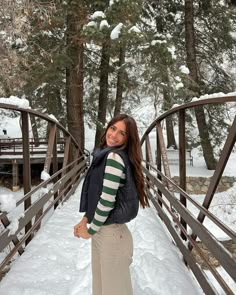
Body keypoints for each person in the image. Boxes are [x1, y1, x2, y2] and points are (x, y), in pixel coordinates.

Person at [74, 114, 149, 295]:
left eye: (122, 133)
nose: (114, 135)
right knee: (100, 290)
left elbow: (107, 201)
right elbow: (98, 193)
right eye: (113, 128)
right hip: (105, 232)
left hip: (112, 237)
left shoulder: (114, 158)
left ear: (127, 139)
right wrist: (86, 219)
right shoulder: (106, 154)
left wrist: (90, 231)